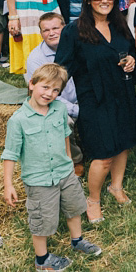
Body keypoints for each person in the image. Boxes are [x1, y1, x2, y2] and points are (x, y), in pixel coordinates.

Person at [55, 0, 136, 223]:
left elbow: (131, 50)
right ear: (87, 0)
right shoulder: (74, 30)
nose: (104, 1)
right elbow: (62, 66)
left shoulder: (120, 25)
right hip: (94, 98)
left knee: (123, 142)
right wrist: (48, 93)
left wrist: (132, 61)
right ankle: (93, 199)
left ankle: (116, 186)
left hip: (122, 93)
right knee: (103, 154)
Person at [2, 63, 102, 272]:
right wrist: (8, 184)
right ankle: (42, 259)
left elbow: (65, 135)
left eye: (56, 90)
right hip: (39, 180)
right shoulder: (18, 120)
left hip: (65, 172)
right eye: (45, 87)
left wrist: (69, 161)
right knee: (42, 218)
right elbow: (10, 154)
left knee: (74, 206)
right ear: (32, 84)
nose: (50, 94)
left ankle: (77, 241)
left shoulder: (59, 109)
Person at [26, 12, 83, 171]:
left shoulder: (79, 46)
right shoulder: (36, 59)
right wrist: (77, 110)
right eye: (46, 30)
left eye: (56, 28)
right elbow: (43, 95)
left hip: (82, 97)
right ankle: (75, 159)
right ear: (41, 34)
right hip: (54, 103)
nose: (51, 33)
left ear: (65, 28)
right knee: (62, 121)